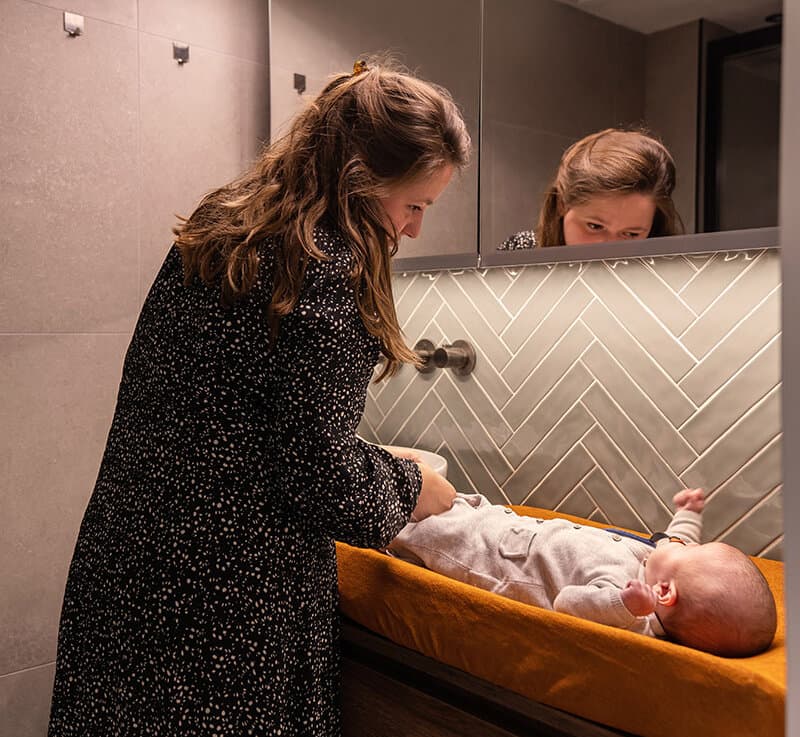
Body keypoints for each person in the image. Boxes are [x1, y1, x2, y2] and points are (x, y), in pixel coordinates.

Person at [47, 60, 463, 737]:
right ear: (361, 180)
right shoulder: (328, 266)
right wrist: (412, 484)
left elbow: (237, 417)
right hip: (224, 604)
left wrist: (368, 460)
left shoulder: (223, 224)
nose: (414, 228)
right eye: (413, 204)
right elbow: (318, 476)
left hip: (127, 561)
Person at [388, 488, 777, 657]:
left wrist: (623, 603)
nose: (682, 544)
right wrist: (688, 515)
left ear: (665, 593)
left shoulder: (630, 613)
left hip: (491, 559)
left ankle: (384, 528)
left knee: (424, 533)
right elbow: (674, 539)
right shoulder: (656, 562)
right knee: (453, 504)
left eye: (690, 551)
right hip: (509, 527)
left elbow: (567, 602)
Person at [499, 127, 684, 249]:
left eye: (631, 234)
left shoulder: (672, 277)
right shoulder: (520, 254)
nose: (609, 248)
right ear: (562, 203)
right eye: (595, 226)